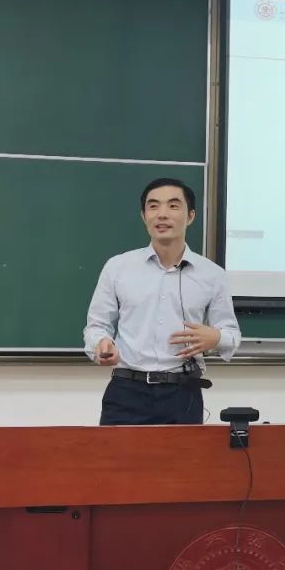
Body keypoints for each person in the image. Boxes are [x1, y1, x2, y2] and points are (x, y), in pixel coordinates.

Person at [83, 178, 241, 425]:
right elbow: (96, 327)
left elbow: (232, 334)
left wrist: (216, 338)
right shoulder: (118, 267)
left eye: (173, 206)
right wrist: (101, 344)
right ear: (144, 216)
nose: (162, 214)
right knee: (115, 453)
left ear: (190, 216)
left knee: (184, 454)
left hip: (183, 393)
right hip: (126, 392)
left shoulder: (212, 275)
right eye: (153, 206)